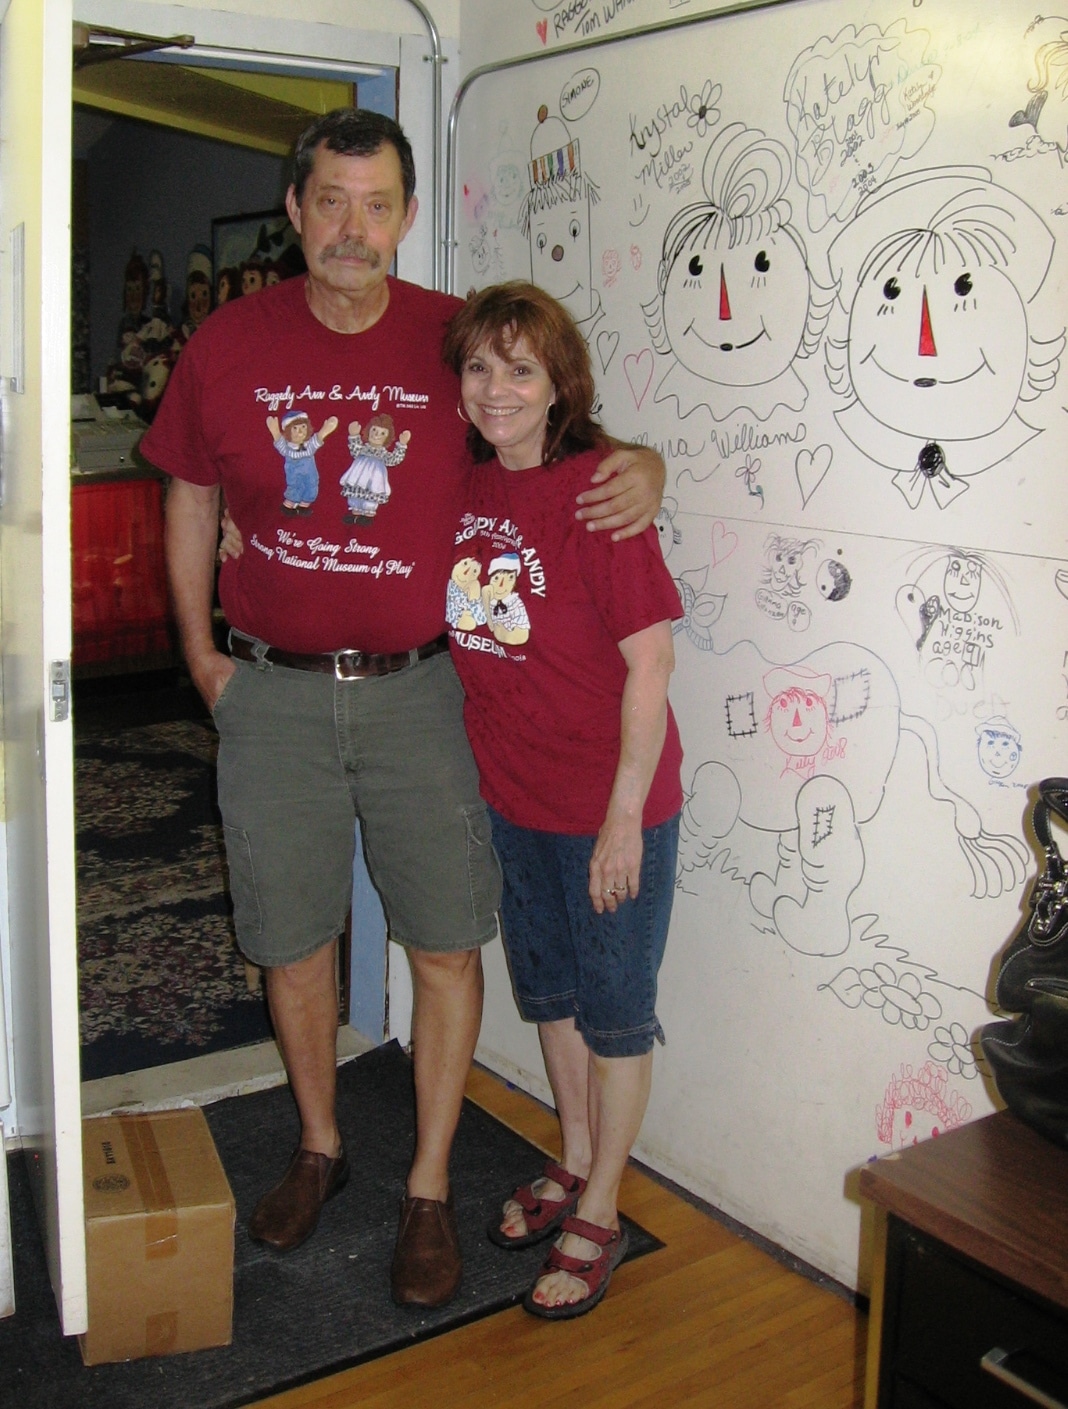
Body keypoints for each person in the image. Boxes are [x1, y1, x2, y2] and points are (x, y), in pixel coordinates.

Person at [139, 108, 664, 1311]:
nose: (352, 228)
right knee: (292, 940)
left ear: (408, 215)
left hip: (425, 693)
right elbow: (185, 491)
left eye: (377, 204)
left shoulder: (450, 339)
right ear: (294, 212)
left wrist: (647, 462)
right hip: (267, 690)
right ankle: (321, 1142)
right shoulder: (228, 343)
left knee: (442, 941)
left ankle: (427, 1181)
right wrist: (199, 657)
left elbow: (548, 421)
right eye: (329, 201)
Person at [442, 281, 683, 1319]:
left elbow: (652, 664)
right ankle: (575, 1156)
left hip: (607, 807)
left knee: (617, 1013)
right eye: (481, 367)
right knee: (549, 995)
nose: (498, 389)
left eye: (522, 369)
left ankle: (605, 1205)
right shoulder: (461, 489)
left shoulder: (600, 494)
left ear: (560, 387)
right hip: (513, 799)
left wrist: (625, 813)